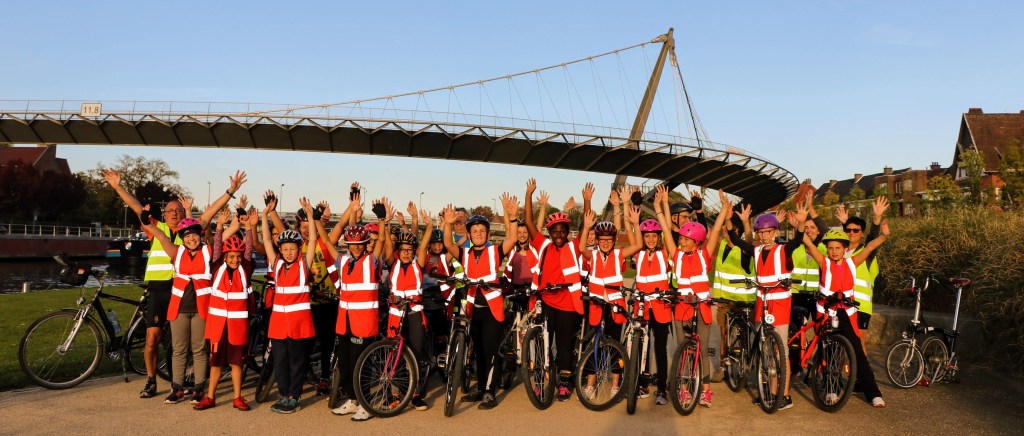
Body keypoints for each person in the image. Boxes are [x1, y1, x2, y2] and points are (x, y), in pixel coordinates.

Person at [103, 168, 245, 398]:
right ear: (164, 213)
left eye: (178, 210)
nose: (174, 213)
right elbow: (136, 207)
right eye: (170, 210)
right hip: (160, 289)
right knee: (152, 338)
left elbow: (211, 212)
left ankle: (187, 382)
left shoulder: (191, 233)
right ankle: (151, 380)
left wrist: (231, 191)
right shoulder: (156, 229)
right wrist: (118, 187)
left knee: (187, 344)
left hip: (186, 291)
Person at [802, 216, 889, 408]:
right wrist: (800, 223)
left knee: (857, 351)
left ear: (844, 249)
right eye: (831, 248)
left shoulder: (852, 262)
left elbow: (869, 247)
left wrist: (884, 235)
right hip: (826, 312)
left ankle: (873, 393)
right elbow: (807, 241)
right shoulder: (823, 262)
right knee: (829, 351)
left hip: (846, 313)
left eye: (838, 248)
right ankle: (830, 389)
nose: (834, 252)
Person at [727, 202, 808, 410]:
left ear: (776, 232)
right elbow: (735, 240)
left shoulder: (783, 249)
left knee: (781, 351)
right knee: (767, 349)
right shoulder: (756, 250)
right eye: (759, 232)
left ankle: (785, 395)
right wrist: (728, 218)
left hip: (780, 304)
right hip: (762, 302)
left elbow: (798, 240)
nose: (763, 235)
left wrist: (801, 222)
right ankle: (770, 392)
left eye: (767, 232)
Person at [441, 194, 519, 409]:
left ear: (487, 233)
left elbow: (512, 240)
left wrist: (511, 217)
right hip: (472, 309)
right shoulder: (464, 253)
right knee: (477, 351)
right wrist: (447, 224)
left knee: (489, 350)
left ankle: (489, 392)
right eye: (474, 231)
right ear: (469, 234)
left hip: (492, 309)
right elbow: (448, 244)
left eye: (481, 231)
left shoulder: (495, 251)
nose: (478, 234)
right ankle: (481, 386)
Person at [657, 186, 731, 407]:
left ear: (696, 241)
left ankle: (705, 390)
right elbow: (664, 228)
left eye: (686, 240)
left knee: (702, 349)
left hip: (703, 308)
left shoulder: (704, 255)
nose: (681, 242)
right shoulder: (677, 255)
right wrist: (659, 207)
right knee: (683, 350)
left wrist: (724, 209)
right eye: (681, 239)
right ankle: (683, 388)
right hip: (682, 308)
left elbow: (715, 232)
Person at [524, 179, 588, 402]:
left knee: (563, 343)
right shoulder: (543, 245)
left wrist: (587, 201)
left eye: (562, 231)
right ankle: (541, 381)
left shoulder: (574, 247)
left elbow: (587, 226)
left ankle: (564, 382)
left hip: (568, 302)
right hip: (547, 299)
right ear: (550, 233)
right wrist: (529, 194)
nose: (558, 234)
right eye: (554, 231)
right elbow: (529, 222)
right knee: (542, 341)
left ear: (567, 232)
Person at [138, 214, 211, 405]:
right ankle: (177, 388)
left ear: (200, 236)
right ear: (182, 238)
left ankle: (198, 388)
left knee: (199, 350)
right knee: (178, 349)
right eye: (187, 236)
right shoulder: (176, 252)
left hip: (200, 310)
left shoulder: (207, 251)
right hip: (179, 310)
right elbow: (160, 235)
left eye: (194, 235)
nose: (191, 239)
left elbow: (221, 230)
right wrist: (145, 221)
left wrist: (232, 195)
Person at [328, 196, 389, 421]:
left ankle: (366, 403)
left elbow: (381, 241)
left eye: (359, 245)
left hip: (364, 323)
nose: (355, 248)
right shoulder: (344, 261)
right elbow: (327, 243)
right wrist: (316, 222)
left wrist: (382, 219)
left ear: (364, 246)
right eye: (352, 245)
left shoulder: (371, 261)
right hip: (345, 322)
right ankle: (352, 400)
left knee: (360, 364)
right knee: (345, 363)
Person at [577, 201, 641, 398]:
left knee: (614, 345)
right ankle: (591, 384)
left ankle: (615, 383)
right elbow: (581, 248)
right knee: (592, 345)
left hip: (615, 305)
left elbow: (638, 245)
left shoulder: (619, 255)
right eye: (602, 239)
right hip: (596, 304)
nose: (605, 242)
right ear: (597, 240)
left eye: (609, 239)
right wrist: (587, 226)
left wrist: (635, 224)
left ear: (614, 240)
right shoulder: (593, 255)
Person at [261, 197, 318, 414]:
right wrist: (265, 216)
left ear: (298, 249)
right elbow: (267, 241)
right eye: (285, 249)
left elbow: (312, 241)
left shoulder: (304, 266)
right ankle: (284, 394)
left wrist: (310, 216)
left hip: (298, 324)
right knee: (280, 361)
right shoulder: (276, 265)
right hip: (278, 324)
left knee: (296, 362)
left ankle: (294, 396)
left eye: (292, 249)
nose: (288, 252)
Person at [193, 228, 256, 411]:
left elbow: (249, 248)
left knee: (237, 363)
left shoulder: (245, 269)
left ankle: (237, 397)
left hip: (237, 328)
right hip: (217, 327)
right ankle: (210, 396)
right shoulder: (216, 267)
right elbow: (217, 246)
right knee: (216, 363)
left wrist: (249, 229)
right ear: (225, 257)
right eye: (231, 257)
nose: (235, 260)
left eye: (238, 256)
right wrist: (219, 227)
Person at [712, 202, 754, 382]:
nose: (724, 234)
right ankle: (723, 365)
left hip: (743, 299)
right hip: (724, 300)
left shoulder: (743, 249)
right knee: (724, 334)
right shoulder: (722, 247)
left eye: (727, 232)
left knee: (743, 335)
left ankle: (744, 363)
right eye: (722, 232)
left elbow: (750, 242)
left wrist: (745, 222)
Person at [836, 197, 889, 337]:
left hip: (860, 306)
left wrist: (877, 218)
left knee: (859, 345)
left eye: (856, 230)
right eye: (848, 230)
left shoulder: (865, 253)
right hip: (841, 305)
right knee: (841, 345)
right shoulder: (839, 252)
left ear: (862, 233)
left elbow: (872, 240)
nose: (851, 233)